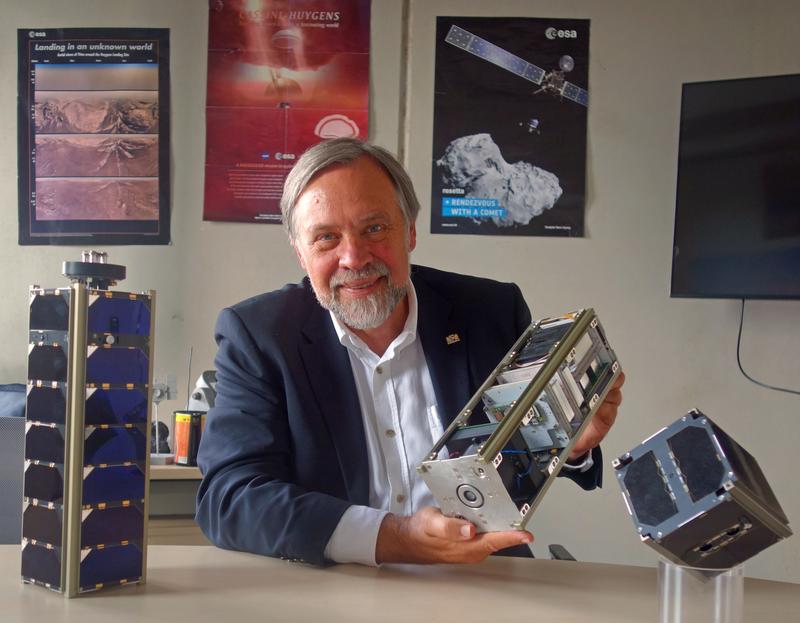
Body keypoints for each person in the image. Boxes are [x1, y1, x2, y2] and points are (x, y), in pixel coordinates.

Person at [196, 138, 624, 567]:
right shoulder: (260, 335)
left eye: (375, 228)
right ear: (300, 251)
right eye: (326, 238)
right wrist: (392, 537)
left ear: (411, 230)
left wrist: (565, 445)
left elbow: (519, 453)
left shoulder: (490, 312)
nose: (354, 257)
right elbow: (229, 497)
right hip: (336, 590)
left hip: (483, 577)